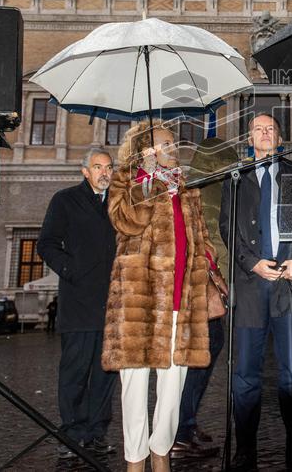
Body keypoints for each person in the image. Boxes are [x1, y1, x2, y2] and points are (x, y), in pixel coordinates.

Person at [102, 121, 212, 472]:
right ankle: (135, 458)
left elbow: (200, 238)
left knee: (173, 384)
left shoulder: (186, 186)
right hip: (140, 300)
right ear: (144, 150)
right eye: (164, 144)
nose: (172, 149)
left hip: (181, 297)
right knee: (134, 385)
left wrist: (210, 274)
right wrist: (145, 180)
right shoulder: (126, 179)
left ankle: (161, 449)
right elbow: (127, 222)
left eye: (172, 143)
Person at [221, 114, 292, 471]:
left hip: (287, 284)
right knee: (245, 373)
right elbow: (227, 227)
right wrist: (251, 263)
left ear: (279, 138)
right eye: (257, 129)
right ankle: (245, 450)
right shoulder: (235, 177)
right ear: (249, 139)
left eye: (270, 129)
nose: (264, 133)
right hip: (250, 285)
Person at [38, 147, 119, 459]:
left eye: (108, 167)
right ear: (85, 171)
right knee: (74, 373)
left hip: (112, 304)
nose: (104, 173)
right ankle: (72, 434)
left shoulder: (119, 202)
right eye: (97, 167)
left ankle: (97, 433)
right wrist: (71, 269)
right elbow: (46, 244)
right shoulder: (65, 200)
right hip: (79, 302)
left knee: (104, 374)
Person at [171, 135, 238, 461]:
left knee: (198, 360)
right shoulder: (210, 190)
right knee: (198, 360)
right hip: (201, 288)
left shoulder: (193, 186)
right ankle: (180, 433)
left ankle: (186, 423)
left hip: (196, 287)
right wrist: (225, 279)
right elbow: (213, 239)